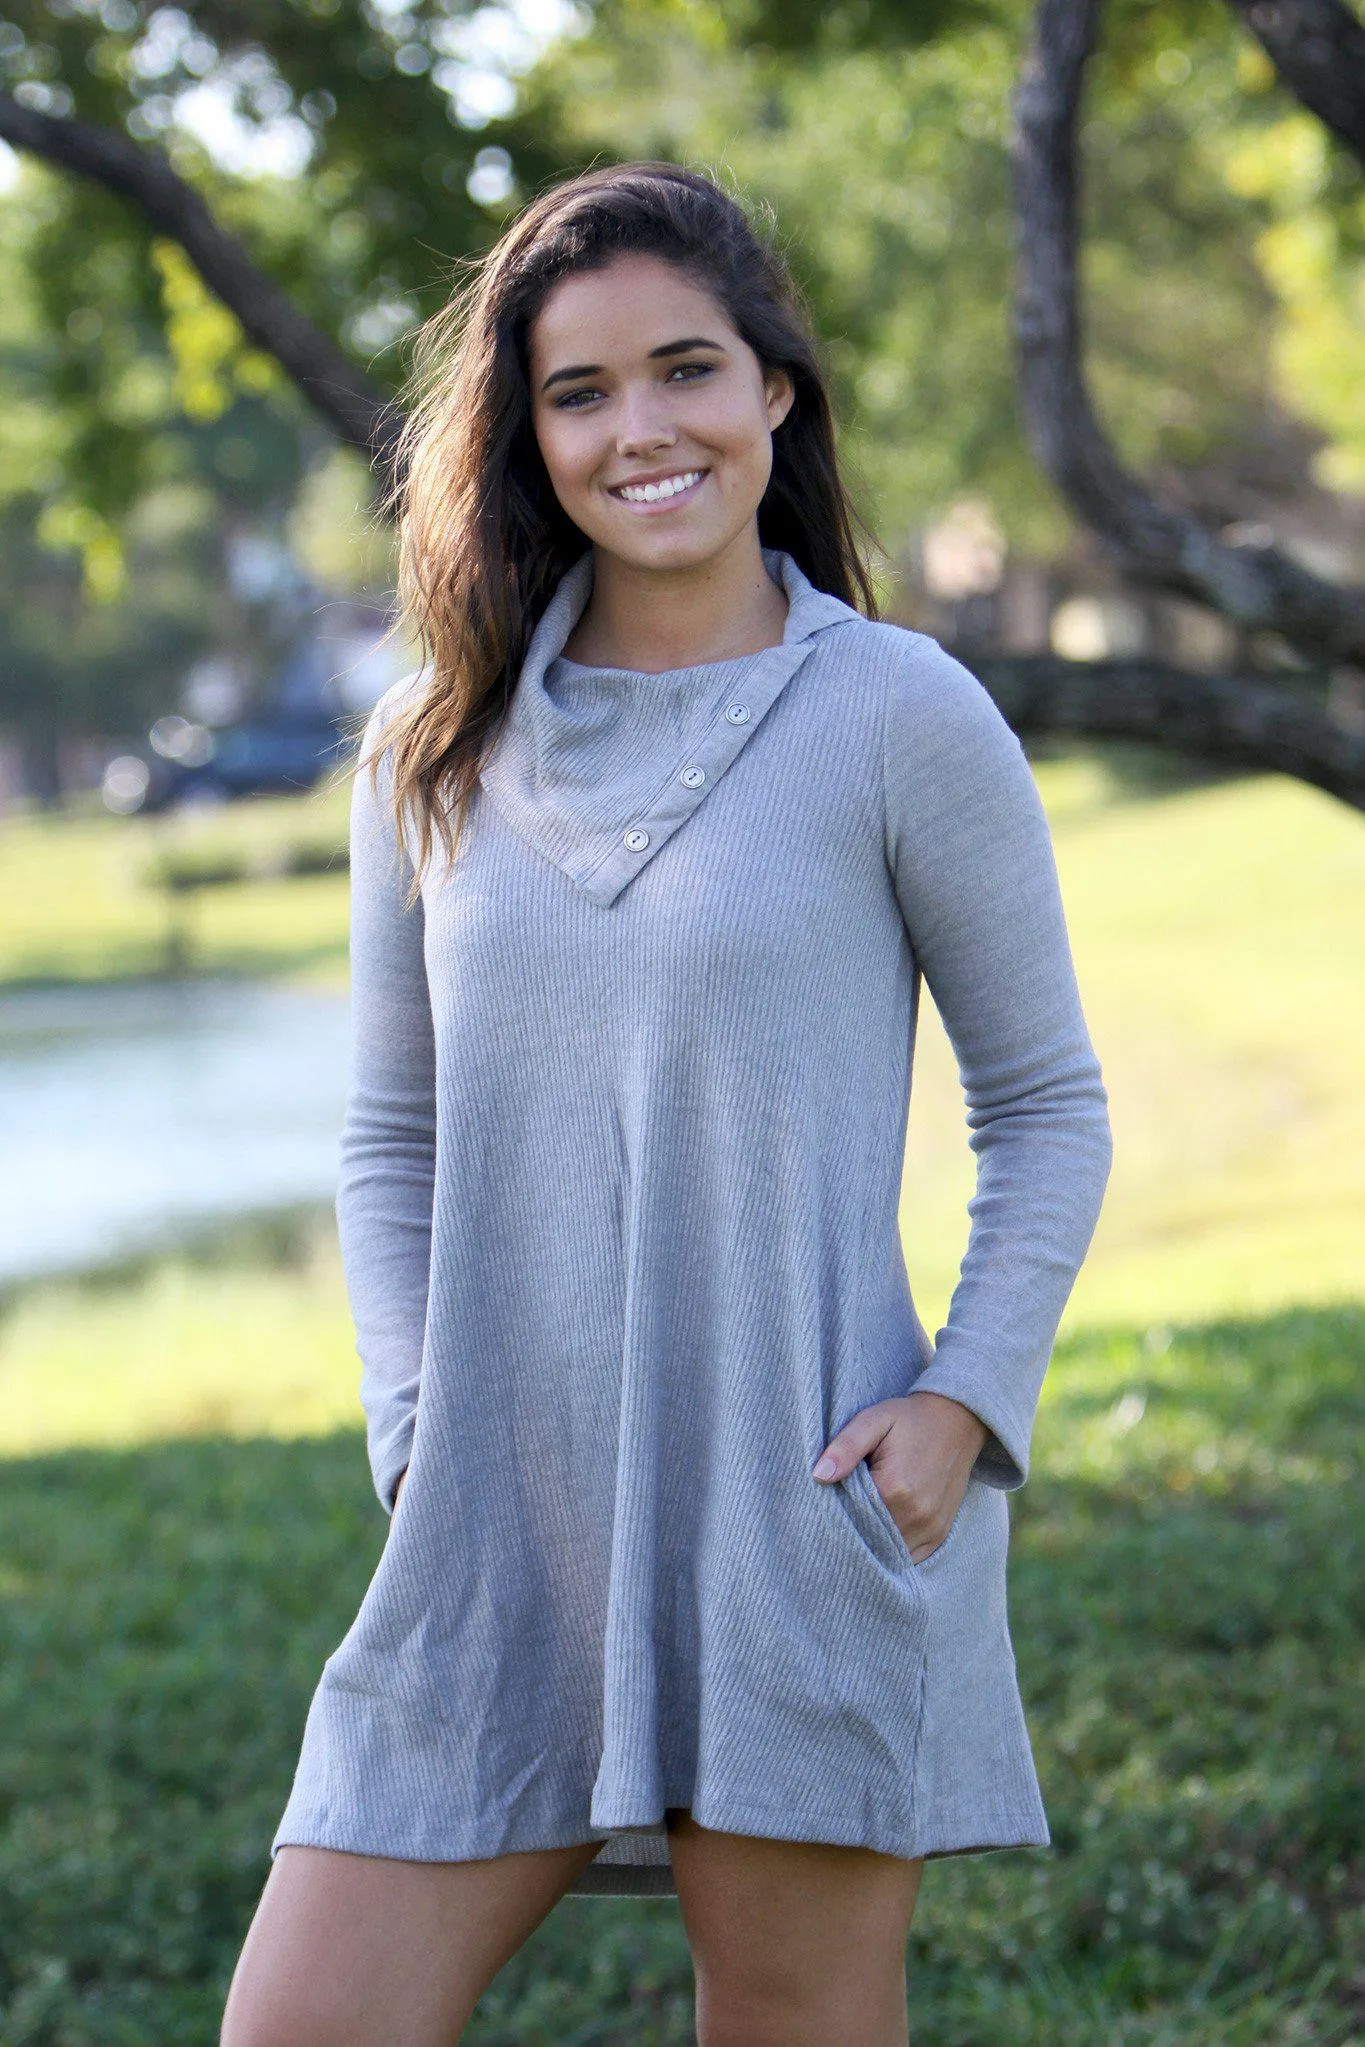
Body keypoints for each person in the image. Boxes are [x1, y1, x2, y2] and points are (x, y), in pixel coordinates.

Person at [220, 160, 1113, 2047]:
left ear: (775, 394)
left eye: (687, 370)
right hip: (493, 1522)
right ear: (525, 436)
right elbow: (396, 1138)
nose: (643, 429)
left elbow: (1043, 1103)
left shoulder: (895, 714)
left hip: (801, 1512)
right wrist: (411, 1426)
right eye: (579, 391)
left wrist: (965, 1404)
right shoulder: (431, 748)